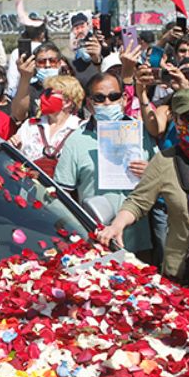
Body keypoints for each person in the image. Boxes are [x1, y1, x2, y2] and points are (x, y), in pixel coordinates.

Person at [97, 87, 189, 286]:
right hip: (184, 270)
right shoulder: (164, 161)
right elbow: (138, 202)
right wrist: (117, 225)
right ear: (175, 119)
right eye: (188, 116)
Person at [55, 73, 157, 258]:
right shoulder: (76, 141)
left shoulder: (141, 133)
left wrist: (151, 172)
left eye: (114, 96)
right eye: (100, 98)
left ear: (124, 98)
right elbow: (63, 194)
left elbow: (161, 180)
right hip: (97, 242)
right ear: (89, 103)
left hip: (139, 239)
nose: (108, 102)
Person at [10, 75, 83, 171]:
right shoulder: (31, 125)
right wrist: (13, 147)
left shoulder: (80, 129)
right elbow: (14, 161)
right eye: (43, 92)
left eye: (48, 93)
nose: (42, 97)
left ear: (67, 102)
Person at [11, 42, 67, 124]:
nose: (47, 65)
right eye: (42, 62)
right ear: (35, 65)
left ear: (59, 64)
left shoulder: (69, 87)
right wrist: (25, 77)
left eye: (52, 61)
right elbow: (18, 115)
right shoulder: (29, 89)